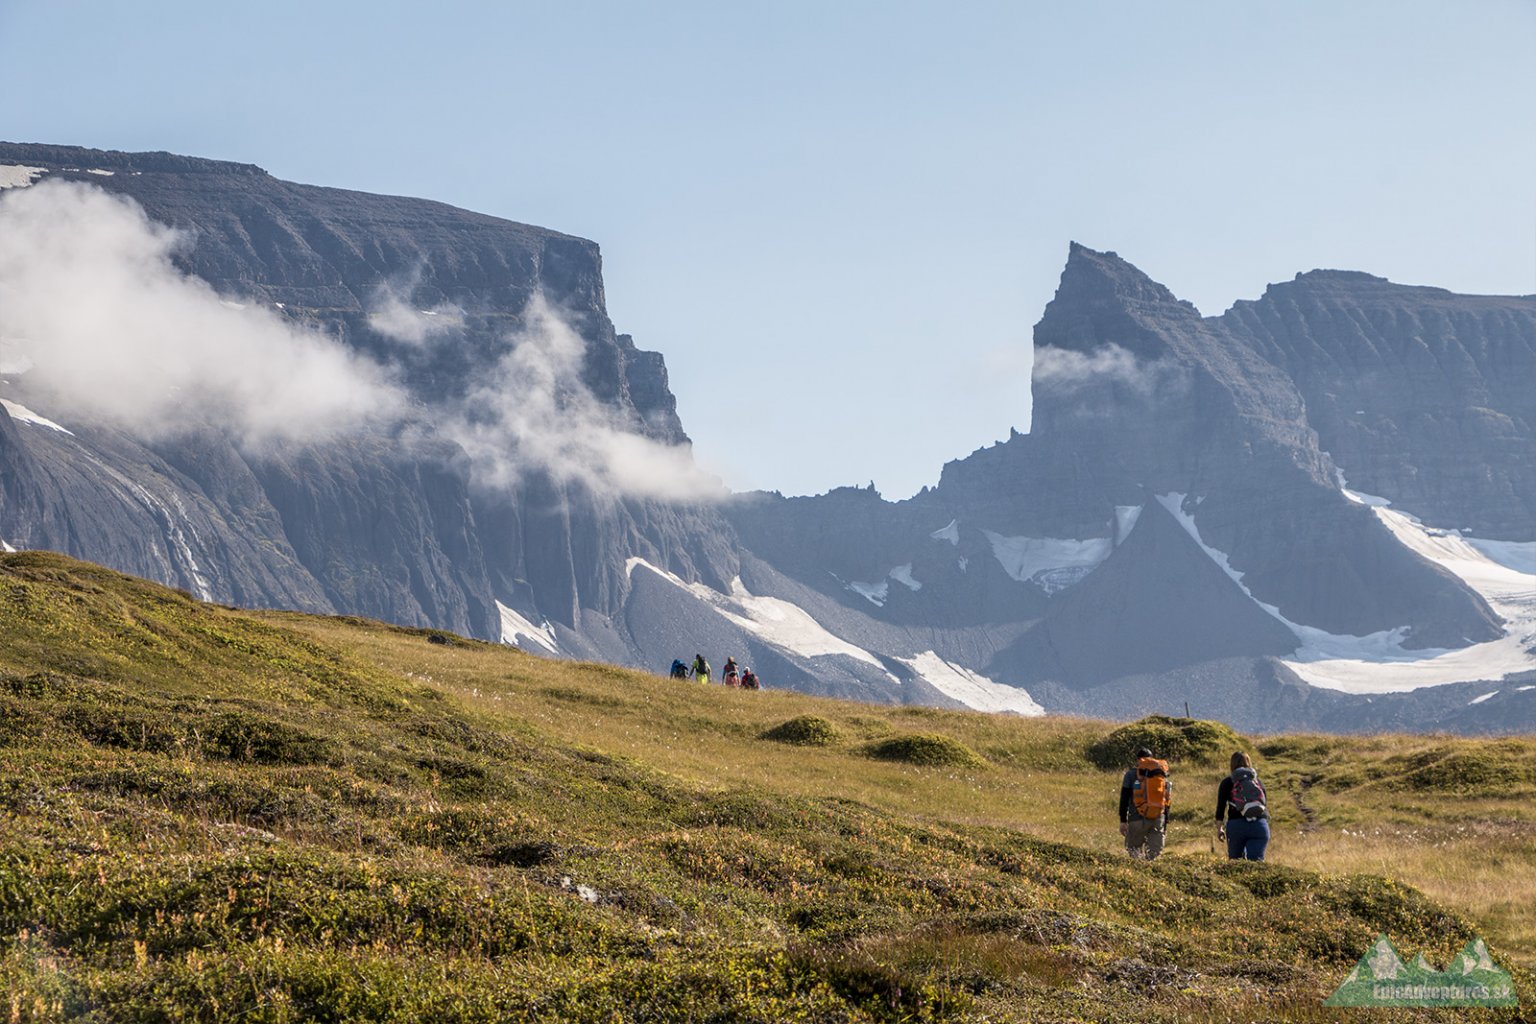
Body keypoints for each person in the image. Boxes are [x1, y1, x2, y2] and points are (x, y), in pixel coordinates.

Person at [1118, 746, 1171, 861]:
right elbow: (1167, 799)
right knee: (1153, 856)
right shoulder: (1161, 773)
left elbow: (1124, 797)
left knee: (1133, 850)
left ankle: (1139, 873)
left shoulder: (1131, 775)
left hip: (1136, 818)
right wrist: (1165, 821)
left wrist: (1123, 820)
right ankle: (1150, 872)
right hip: (1158, 818)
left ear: (1138, 760)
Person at [1216, 751, 1270, 861]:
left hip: (1236, 826)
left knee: (1236, 864)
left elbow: (1220, 809)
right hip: (1259, 825)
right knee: (1256, 865)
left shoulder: (1227, 782)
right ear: (1249, 763)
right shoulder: (1257, 781)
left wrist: (1219, 829)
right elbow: (1263, 803)